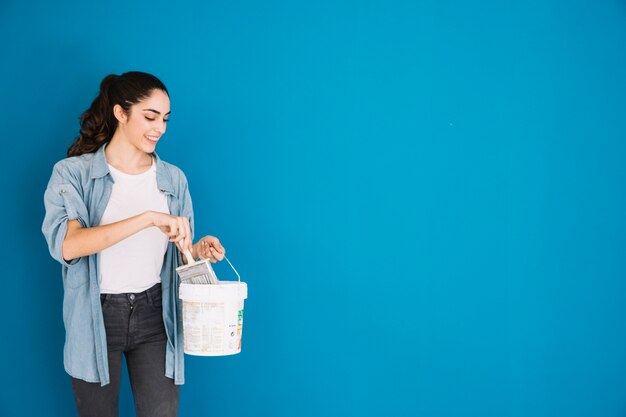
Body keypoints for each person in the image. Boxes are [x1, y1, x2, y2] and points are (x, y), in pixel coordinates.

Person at [41, 71, 225, 417]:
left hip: (156, 312)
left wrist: (198, 250)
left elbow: (177, 254)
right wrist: (148, 218)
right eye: (150, 117)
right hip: (95, 315)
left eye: (165, 119)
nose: (160, 128)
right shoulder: (72, 174)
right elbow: (70, 246)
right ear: (120, 113)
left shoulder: (173, 179)